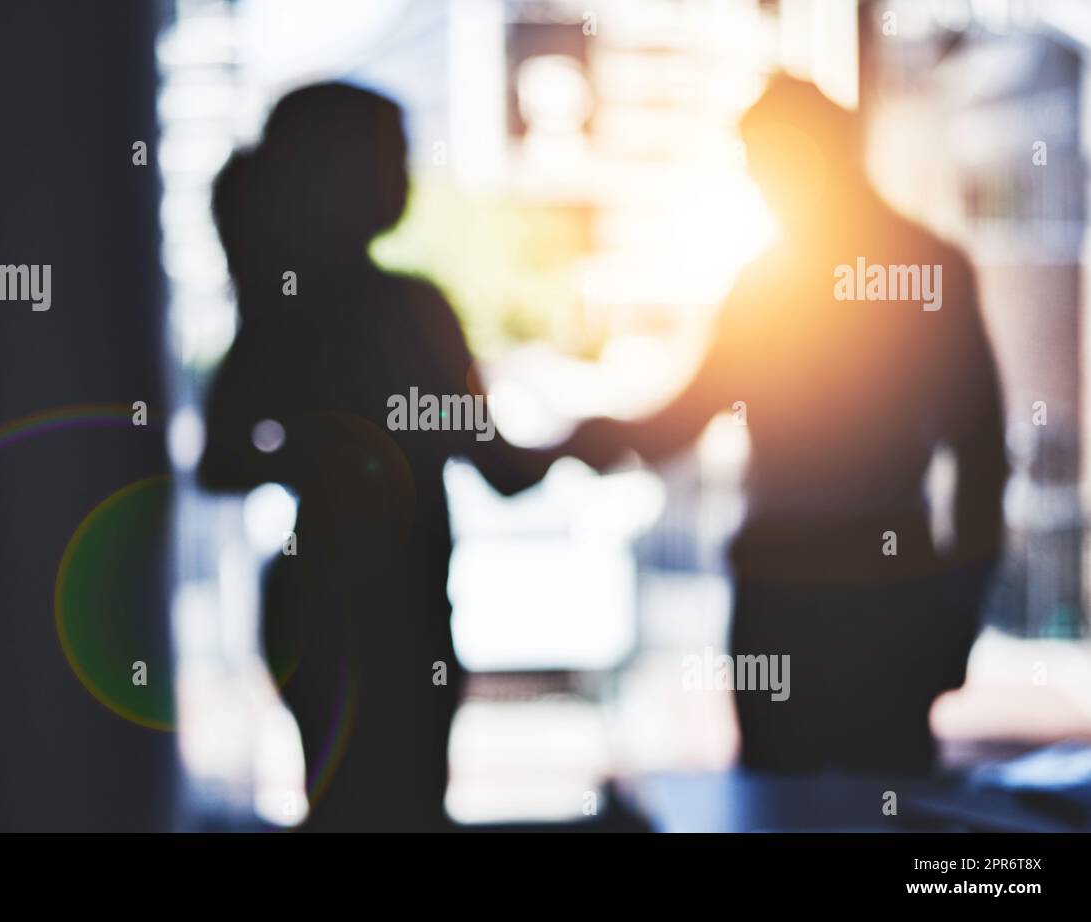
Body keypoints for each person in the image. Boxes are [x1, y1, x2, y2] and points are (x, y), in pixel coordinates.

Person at [570, 75, 1009, 772]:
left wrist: (579, 440)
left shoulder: (772, 284)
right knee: (883, 794)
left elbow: (686, 418)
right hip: (880, 582)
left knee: (782, 799)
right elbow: (981, 453)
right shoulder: (927, 269)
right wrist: (959, 606)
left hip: (790, 585)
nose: (760, 186)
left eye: (763, 167)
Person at [198, 83, 563, 830]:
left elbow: (221, 459)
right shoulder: (409, 309)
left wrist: (315, 457)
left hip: (317, 605)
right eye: (393, 158)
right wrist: (588, 442)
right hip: (401, 613)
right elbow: (501, 469)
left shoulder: (282, 307)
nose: (406, 178)